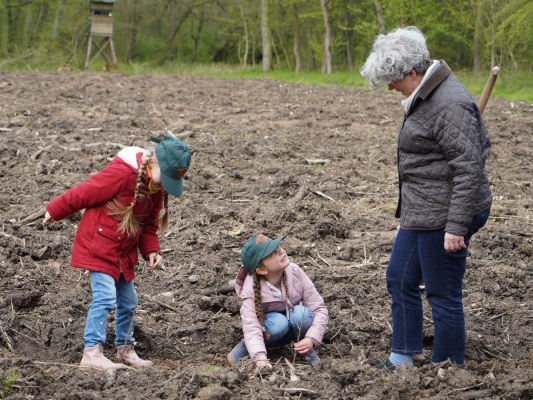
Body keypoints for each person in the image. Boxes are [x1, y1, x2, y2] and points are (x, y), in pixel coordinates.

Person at [360, 27, 492, 369]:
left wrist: (456, 226)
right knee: (400, 278)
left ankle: (447, 368)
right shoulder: (425, 92)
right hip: (423, 208)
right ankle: (402, 357)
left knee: (441, 293)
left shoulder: (450, 103)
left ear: (412, 71)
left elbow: (469, 169)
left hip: (448, 212)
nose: (390, 87)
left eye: (392, 79)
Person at [43, 134, 191, 370]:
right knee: (105, 297)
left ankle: (125, 349)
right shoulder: (123, 174)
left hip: (124, 253)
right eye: (167, 178)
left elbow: (148, 226)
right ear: (154, 163)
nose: (166, 185)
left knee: (129, 300)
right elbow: (86, 191)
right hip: (99, 246)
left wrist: (151, 250)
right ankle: (92, 352)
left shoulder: (155, 188)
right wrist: (55, 210)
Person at [228, 234, 329, 369]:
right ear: (261, 270)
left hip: (291, 325)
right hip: (270, 331)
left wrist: (311, 339)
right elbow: (252, 327)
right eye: (273, 253)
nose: (281, 251)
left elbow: (319, 308)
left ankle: (304, 350)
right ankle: (245, 348)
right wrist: (260, 356)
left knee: (301, 314)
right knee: (278, 323)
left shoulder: (295, 272)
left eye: (279, 247)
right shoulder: (251, 289)